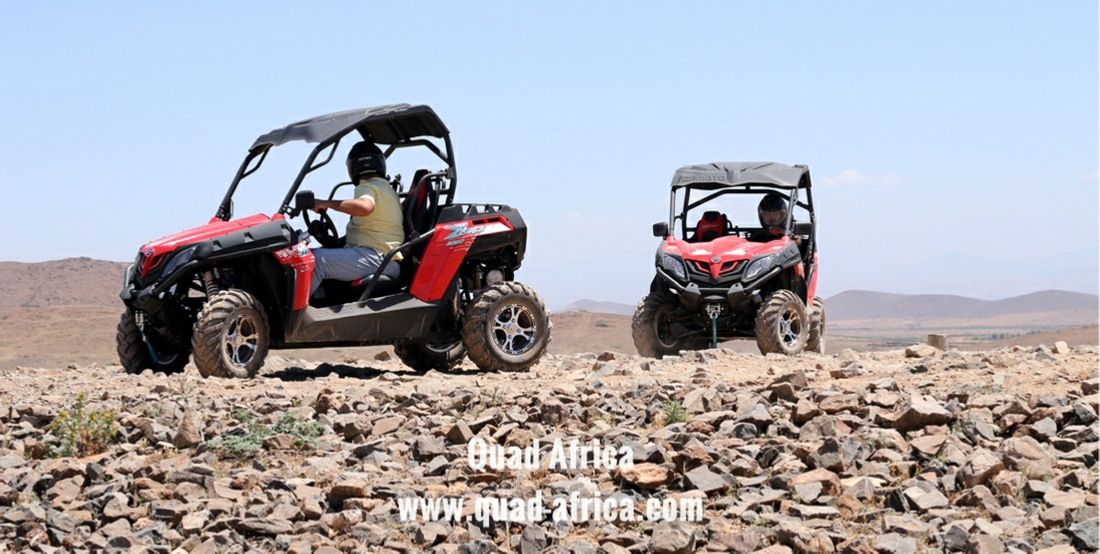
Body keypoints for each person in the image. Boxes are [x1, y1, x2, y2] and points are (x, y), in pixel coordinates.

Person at [308, 141, 404, 298]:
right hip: (382, 259)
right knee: (314, 255)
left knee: (313, 261)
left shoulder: (368, 186)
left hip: (376, 258)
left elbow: (365, 207)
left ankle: (288, 319)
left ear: (352, 168)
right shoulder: (387, 190)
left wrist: (326, 203)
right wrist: (331, 242)